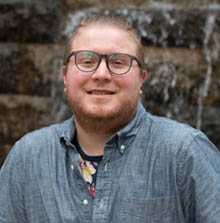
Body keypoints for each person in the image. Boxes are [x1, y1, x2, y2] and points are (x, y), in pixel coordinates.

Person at [0, 14, 220, 223]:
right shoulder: (27, 158)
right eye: (87, 61)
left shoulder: (186, 153)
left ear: (141, 79)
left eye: (118, 62)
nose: (102, 74)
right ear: (65, 76)